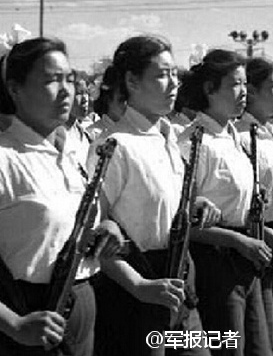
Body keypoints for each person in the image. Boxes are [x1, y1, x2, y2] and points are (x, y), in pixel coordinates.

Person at [0, 37, 123, 356]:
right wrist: (14, 325)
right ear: (15, 89)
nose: (65, 90)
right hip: (20, 314)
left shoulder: (68, 155)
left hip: (79, 308)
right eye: (50, 80)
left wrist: (106, 229)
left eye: (69, 79)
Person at [91, 35, 220, 356]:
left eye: (174, 74)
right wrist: (139, 285)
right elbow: (93, 231)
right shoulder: (115, 145)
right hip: (135, 293)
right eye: (162, 75)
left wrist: (194, 206)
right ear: (132, 81)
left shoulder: (168, 138)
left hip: (178, 284)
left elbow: (159, 202)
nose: (173, 83)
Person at [178, 49, 272, 356]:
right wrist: (236, 241)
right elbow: (183, 222)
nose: (244, 92)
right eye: (235, 84)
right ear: (209, 89)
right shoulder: (195, 142)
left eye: (245, 84)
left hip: (246, 253)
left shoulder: (232, 136)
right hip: (215, 261)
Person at [234, 57, 273, 356]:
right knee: (257, 341)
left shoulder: (268, 131)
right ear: (252, 91)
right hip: (255, 241)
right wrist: (268, 234)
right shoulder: (241, 135)